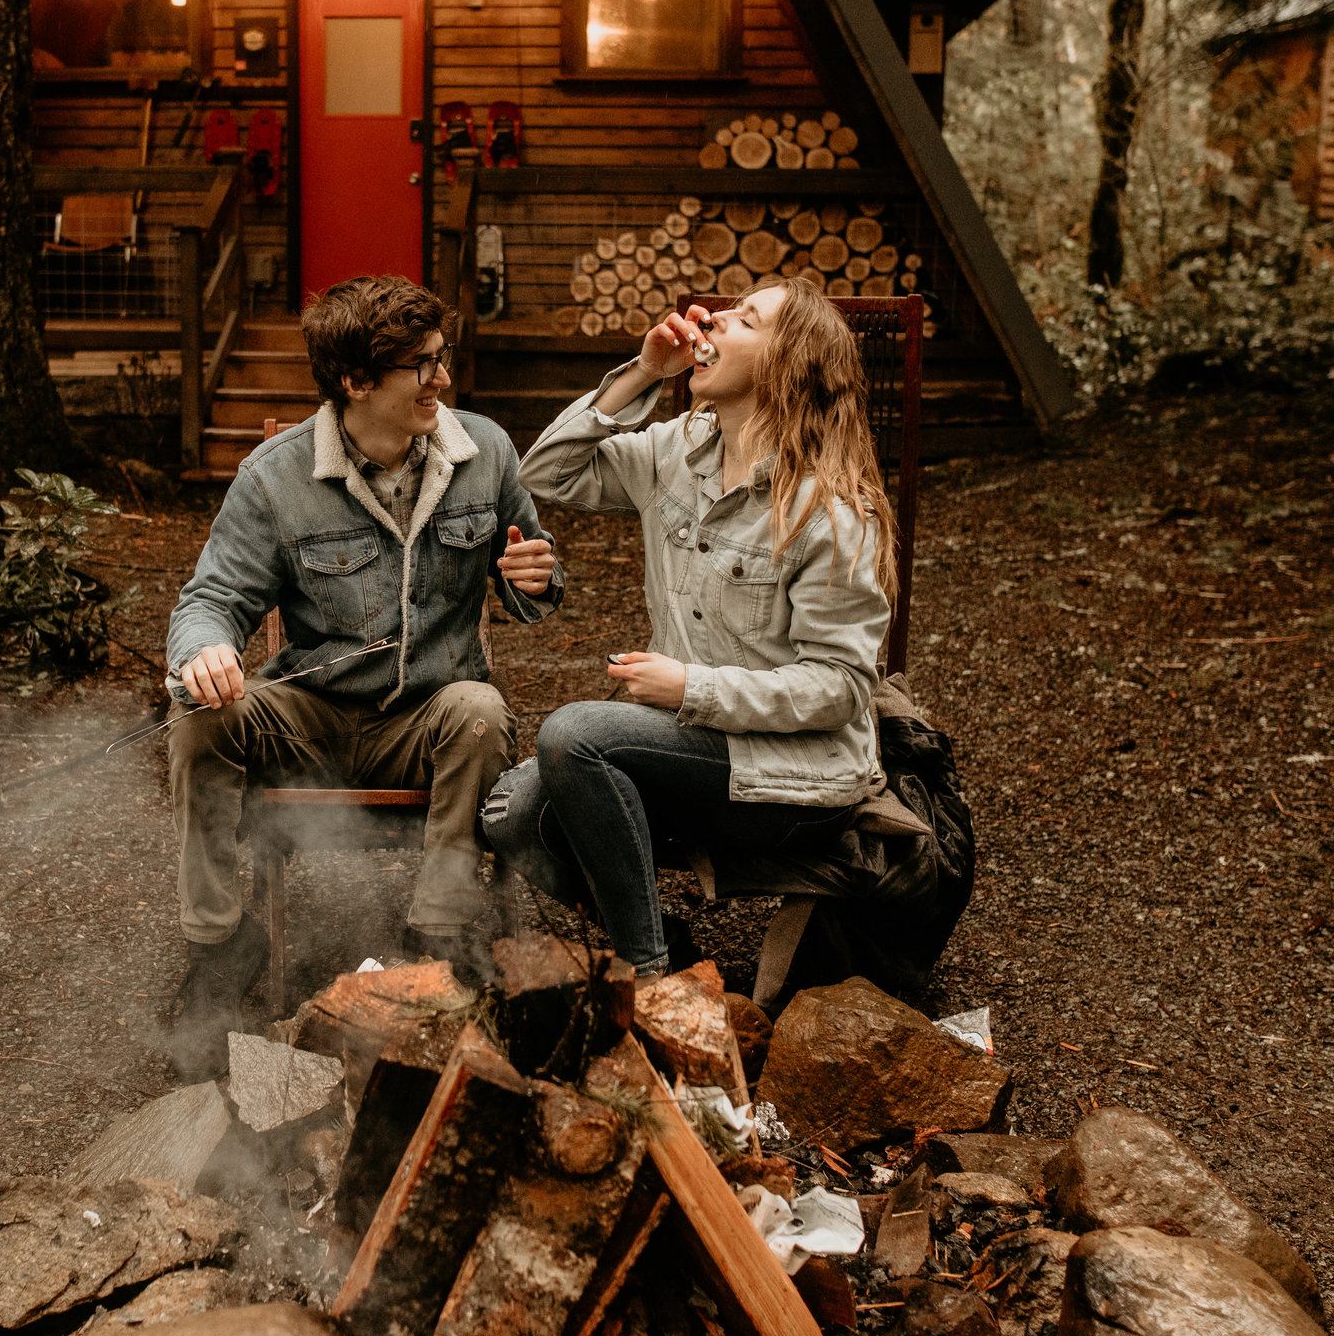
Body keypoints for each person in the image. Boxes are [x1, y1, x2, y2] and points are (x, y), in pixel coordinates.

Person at [161, 275, 563, 1079]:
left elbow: (538, 587)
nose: (442, 381)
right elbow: (208, 600)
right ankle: (218, 943)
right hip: (311, 718)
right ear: (355, 382)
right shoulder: (274, 478)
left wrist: (535, 577)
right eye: (422, 366)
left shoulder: (485, 455)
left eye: (441, 360)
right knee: (196, 715)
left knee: (481, 709)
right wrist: (203, 651)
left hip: (433, 724)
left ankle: (437, 942)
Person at [491, 279, 895, 979]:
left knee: (574, 735)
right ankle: (672, 956)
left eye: (746, 318)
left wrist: (690, 687)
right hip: (693, 750)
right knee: (512, 812)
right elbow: (548, 469)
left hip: (792, 778)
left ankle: (647, 982)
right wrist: (647, 370)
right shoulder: (679, 449)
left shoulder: (829, 511)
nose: (711, 321)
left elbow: (840, 687)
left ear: (787, 362)